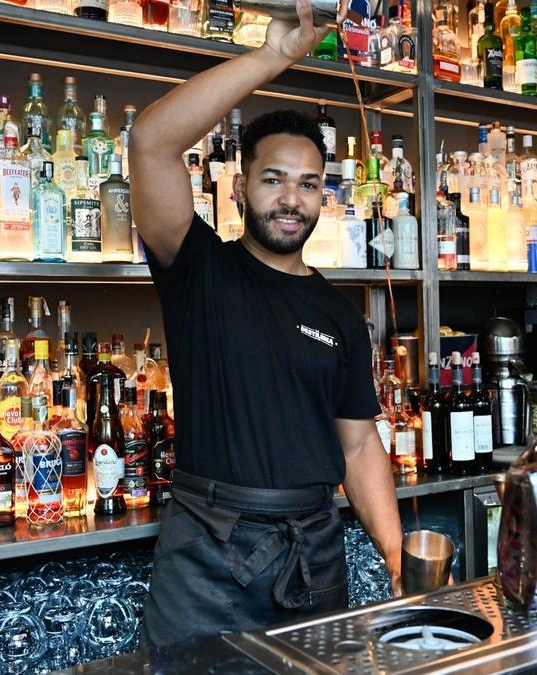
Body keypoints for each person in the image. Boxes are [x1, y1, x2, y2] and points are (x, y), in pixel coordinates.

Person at [128, 0, 403, 649]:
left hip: (314, 554)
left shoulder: (339, 313)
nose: (290, 199)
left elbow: (359, 447)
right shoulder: (198, 268)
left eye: (308, 185)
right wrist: (274, 55)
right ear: (240, 185)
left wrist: (396, 556)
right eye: (273, 179)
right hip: (207, 554)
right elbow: (149, 141)